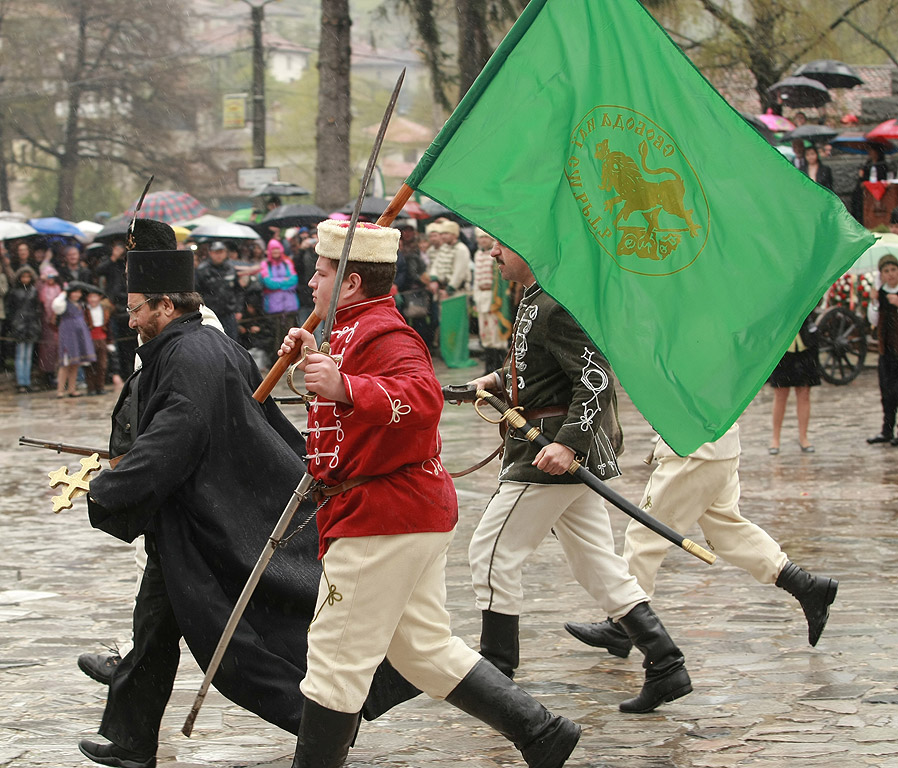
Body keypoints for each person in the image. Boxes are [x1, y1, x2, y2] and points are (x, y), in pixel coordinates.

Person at [78, 219, 412, 768]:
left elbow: (175, 437)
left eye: (136, 308)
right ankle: (133, 742)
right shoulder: (204, 345)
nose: (130, 318)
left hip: (210, 524)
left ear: (165, 306)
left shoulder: (190, 356)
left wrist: (111, 487)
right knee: (154, 630)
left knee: (237, 649)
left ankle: (322, 726)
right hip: (188, 517)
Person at [279, 219, 580, 768]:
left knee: (335, 656)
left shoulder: (386, 332)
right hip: (393, 510)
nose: (311, 284)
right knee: (422, 648)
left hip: (384, 514)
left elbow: (421, 399)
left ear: (349, 283)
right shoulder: (351, 326)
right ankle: (541, 732)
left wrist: (345, 386)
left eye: (320, 273)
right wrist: (312, 358)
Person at [462, 240, 691, 714]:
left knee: (491, 552)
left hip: (549, 453)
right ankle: (666, 663)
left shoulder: (555, 302)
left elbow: (595, 377)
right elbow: (539, 367)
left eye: (499, 246)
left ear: (529, 247)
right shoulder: (532, 297)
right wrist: (498, 382)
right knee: (597, 564)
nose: (492, 255)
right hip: (549, 449)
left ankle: (497, 672)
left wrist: (568, 443)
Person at [564, 423, 839, 657]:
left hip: (693, 448)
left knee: (645, 534)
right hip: (717, 443)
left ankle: (623, 625)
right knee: (727, 530)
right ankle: (808, 587)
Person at [768, 312, 820, 454]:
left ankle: (803, 437)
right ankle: (775, 439)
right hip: (783, 346)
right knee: (780, 393)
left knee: (804, 392)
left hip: (805, 344)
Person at [866, 253, 898, 445]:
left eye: (893, 270)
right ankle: (886, 430)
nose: (891, 274)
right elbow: (873, 321)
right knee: (887, 391)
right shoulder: (881, 293)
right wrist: (874, 302)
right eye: (886, 271)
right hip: (886, 351)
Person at [471, 227, 512, 373]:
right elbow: (475, 279)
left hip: (492, 297)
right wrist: (475, 299)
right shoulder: (476, 255)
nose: (482, 240)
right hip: (481, 298)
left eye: (485, 238)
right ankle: (488, 367)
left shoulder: (494, 256)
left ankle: (499, 367)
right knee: (485, 334)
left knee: (496, 335)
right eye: (480, 238)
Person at [51, 281, 95, 398]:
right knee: (65, 363)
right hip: (68, 333)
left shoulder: (81, 304)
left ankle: (72, 389)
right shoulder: (64, 303)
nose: (77, 294)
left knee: (76, 363)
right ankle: (60, 390)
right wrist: (63, 293)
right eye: (74, 292)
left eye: (78, 292)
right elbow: (56, 306)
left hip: (80, 334)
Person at [194, 240, 243, 340]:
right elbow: (196, 292)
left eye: (221, 252)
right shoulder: (203, 270)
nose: (219, 255)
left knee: (232, 341)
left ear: (225, 253)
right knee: (212, 341)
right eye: (216, 252)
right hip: (210, 313)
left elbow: (238, 290)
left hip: (229, 313)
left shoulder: (230, 268)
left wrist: (238, 309)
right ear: (210, 253)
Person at [6, 265, 41, 393]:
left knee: (28, 355)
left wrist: (36, 324)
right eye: (23, 276)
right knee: (20, 355)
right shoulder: (14, 292)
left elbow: (37, 309)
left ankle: (27, 382)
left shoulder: (34, 291)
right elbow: (11, 309)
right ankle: (21, 382)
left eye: (28, 276)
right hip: (19, 324)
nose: (26, 279)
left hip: (31, 325)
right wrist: (15, 323)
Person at [84, 286, 112, 395]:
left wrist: (110, 341)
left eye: (95, 297)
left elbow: (108, 327)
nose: (93, 299)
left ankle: (100, 386)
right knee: (89, 365)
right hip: (90, 339)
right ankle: (91, 388)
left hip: (102, 339)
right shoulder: (85, 311)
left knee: (102, 365)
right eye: (90, 297)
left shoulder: (104, 310)